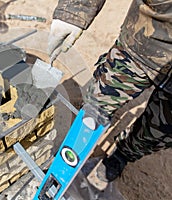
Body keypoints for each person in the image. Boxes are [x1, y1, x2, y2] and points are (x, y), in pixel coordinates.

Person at [49, 0, 172, 183]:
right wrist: (76, 9)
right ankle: (67, 159)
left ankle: (122, 155)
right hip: (146, 42)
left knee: (159, 132)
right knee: (98, 105)